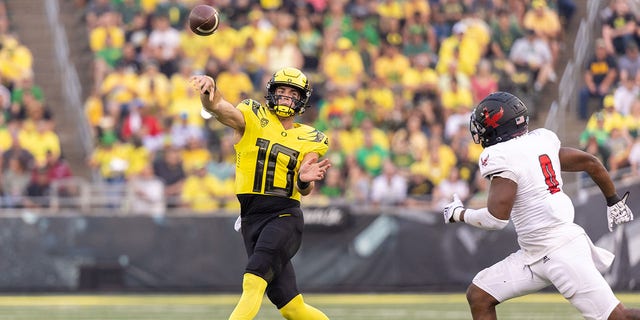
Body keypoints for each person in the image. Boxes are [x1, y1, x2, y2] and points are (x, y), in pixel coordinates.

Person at [442, 91, 638, 320]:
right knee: (479, 295)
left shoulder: (501, 155)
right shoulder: (540, 141)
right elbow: (590, 162)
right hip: (533, 253)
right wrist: (612, 200)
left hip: (559, 250)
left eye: (483, 124)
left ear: (497, 126)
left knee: (619, 317)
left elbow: (496, 219)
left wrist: (459, 213)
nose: (480, 130)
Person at [190, 67, 331, 320]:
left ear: (302, 99)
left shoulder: (311, 137)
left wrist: (303, 178)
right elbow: (219, 107)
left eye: (292, 92)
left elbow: (305, 188)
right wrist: (208, 92)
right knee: (291, 307)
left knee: (253, 279)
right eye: (282, 90)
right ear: (271, 93)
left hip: (284, 216)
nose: (287, 96)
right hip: (251, 220)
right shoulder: (253, 116)